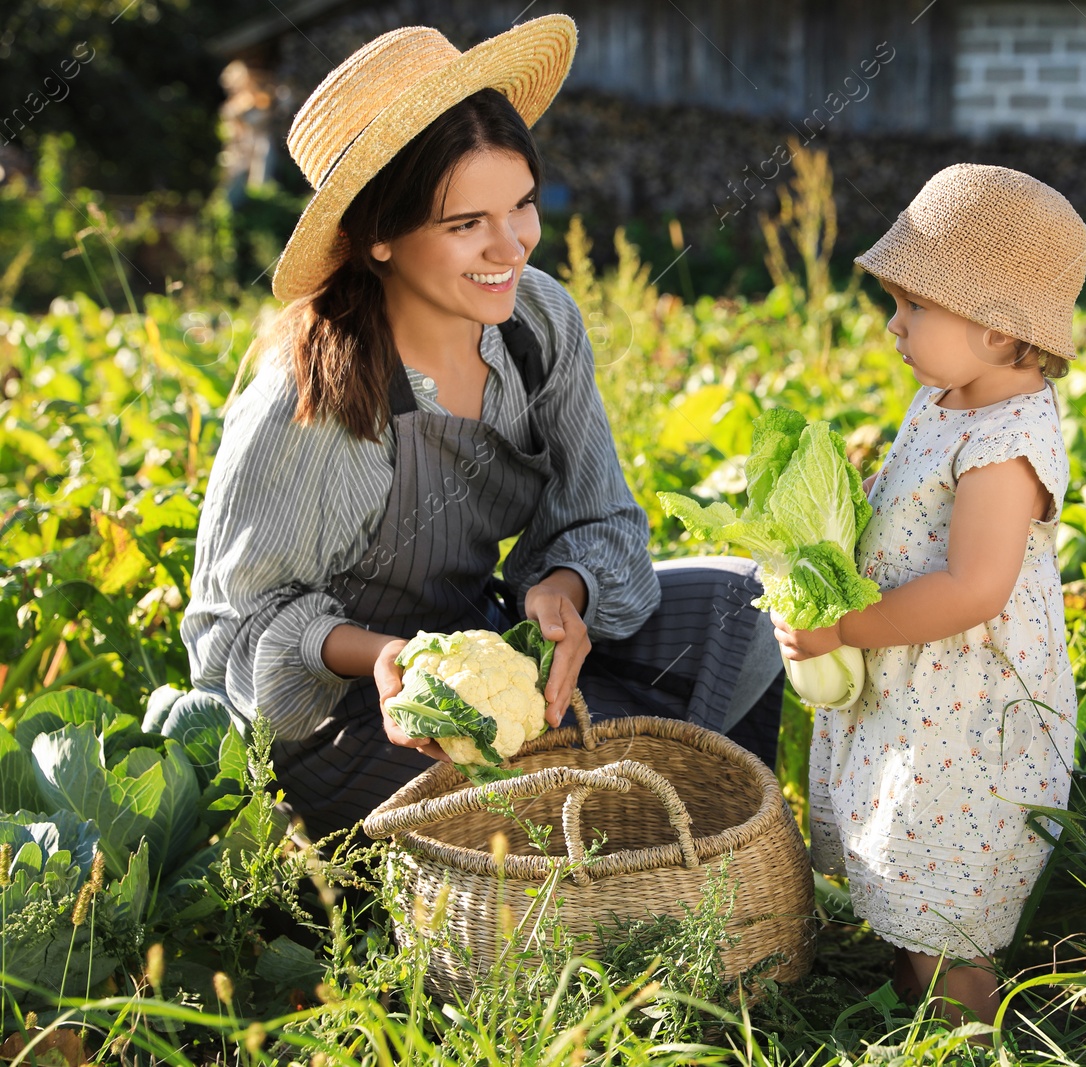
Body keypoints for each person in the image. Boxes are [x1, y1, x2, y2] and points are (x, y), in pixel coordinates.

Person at [181, 17, 782, 841]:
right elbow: (227, 638)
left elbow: (600, 518)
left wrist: (560, 591)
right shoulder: (308, 397)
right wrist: (381, 656)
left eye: (523, 205)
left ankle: (737, 847)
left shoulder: (537, 322)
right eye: (466, 224)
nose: (511, 247)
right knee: (560, 792)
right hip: (349, 719)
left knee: (743, 609)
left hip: (485, 650)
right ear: (379, 236)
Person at [772, 164, 1085, 1032]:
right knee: (906, 855)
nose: (892, 324)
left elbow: (975, 588)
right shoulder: (946, 398)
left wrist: (846, 624)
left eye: (914, 307)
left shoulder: (1009, 439)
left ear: (997, 329)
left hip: (971, 714)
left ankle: (965, 1035)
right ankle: (914, 1008)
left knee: (948, 901)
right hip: (918, 701)